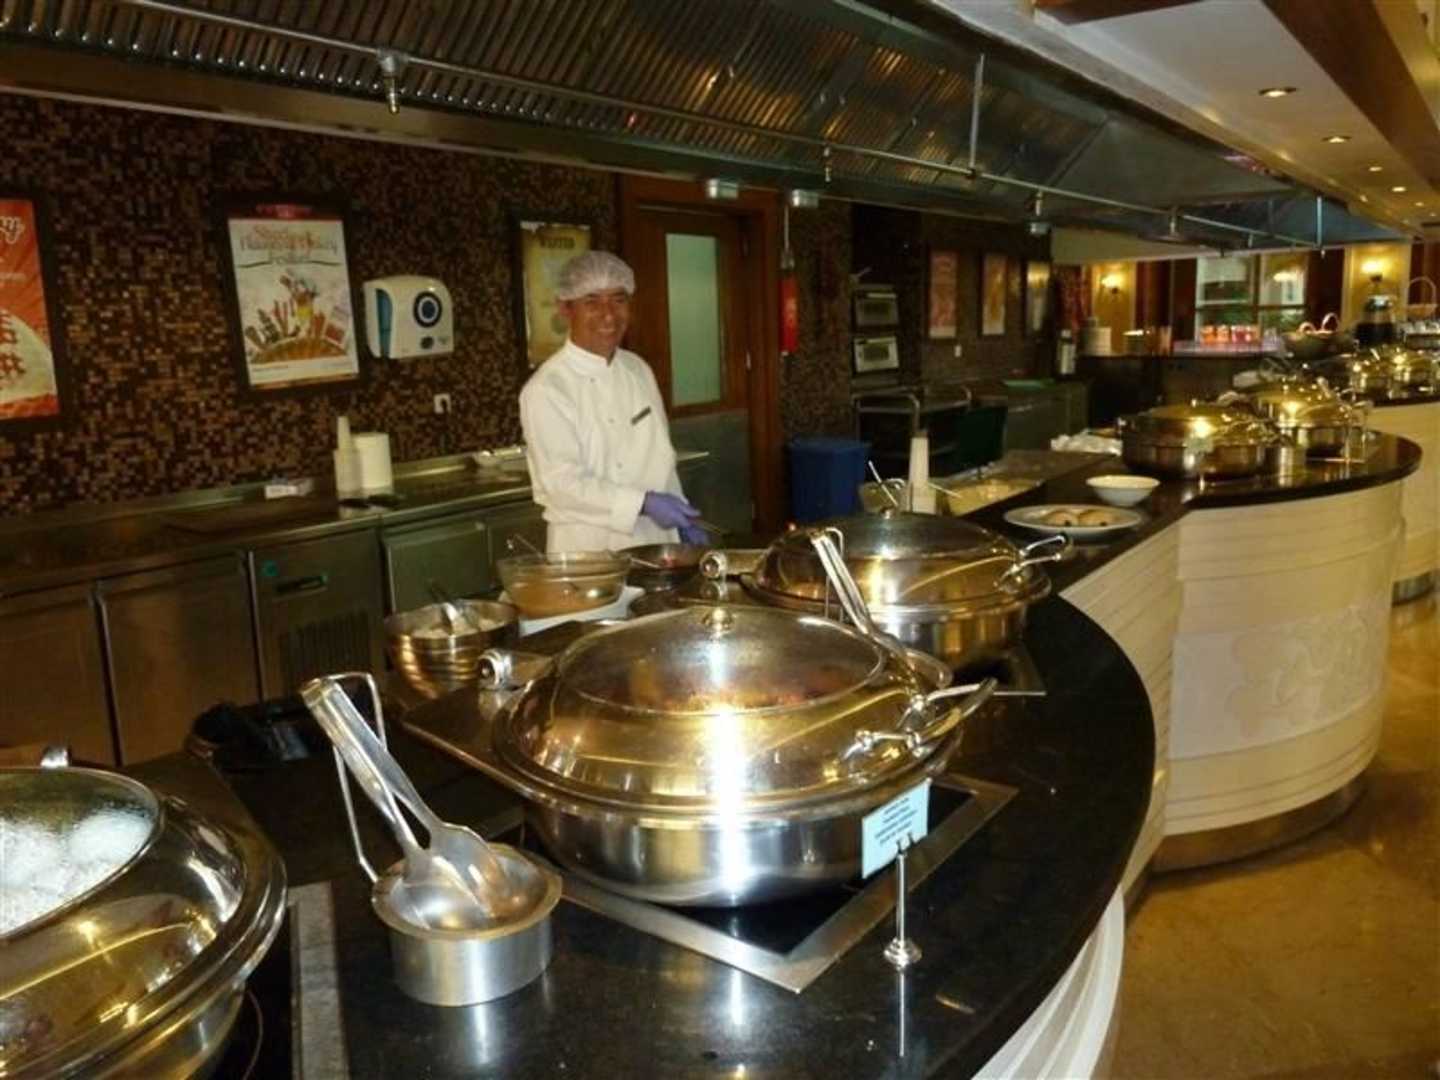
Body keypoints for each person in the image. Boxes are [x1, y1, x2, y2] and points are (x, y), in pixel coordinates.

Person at [519, 251, 706, 552]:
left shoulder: (637, 369)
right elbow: (562, 486)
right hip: (588, 552)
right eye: (591, 302)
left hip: (655, 542)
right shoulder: (547, 389)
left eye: (618, 300)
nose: (608, 314)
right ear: (565, 309)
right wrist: (643, 503)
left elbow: (660, 457)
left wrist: (683, 517)